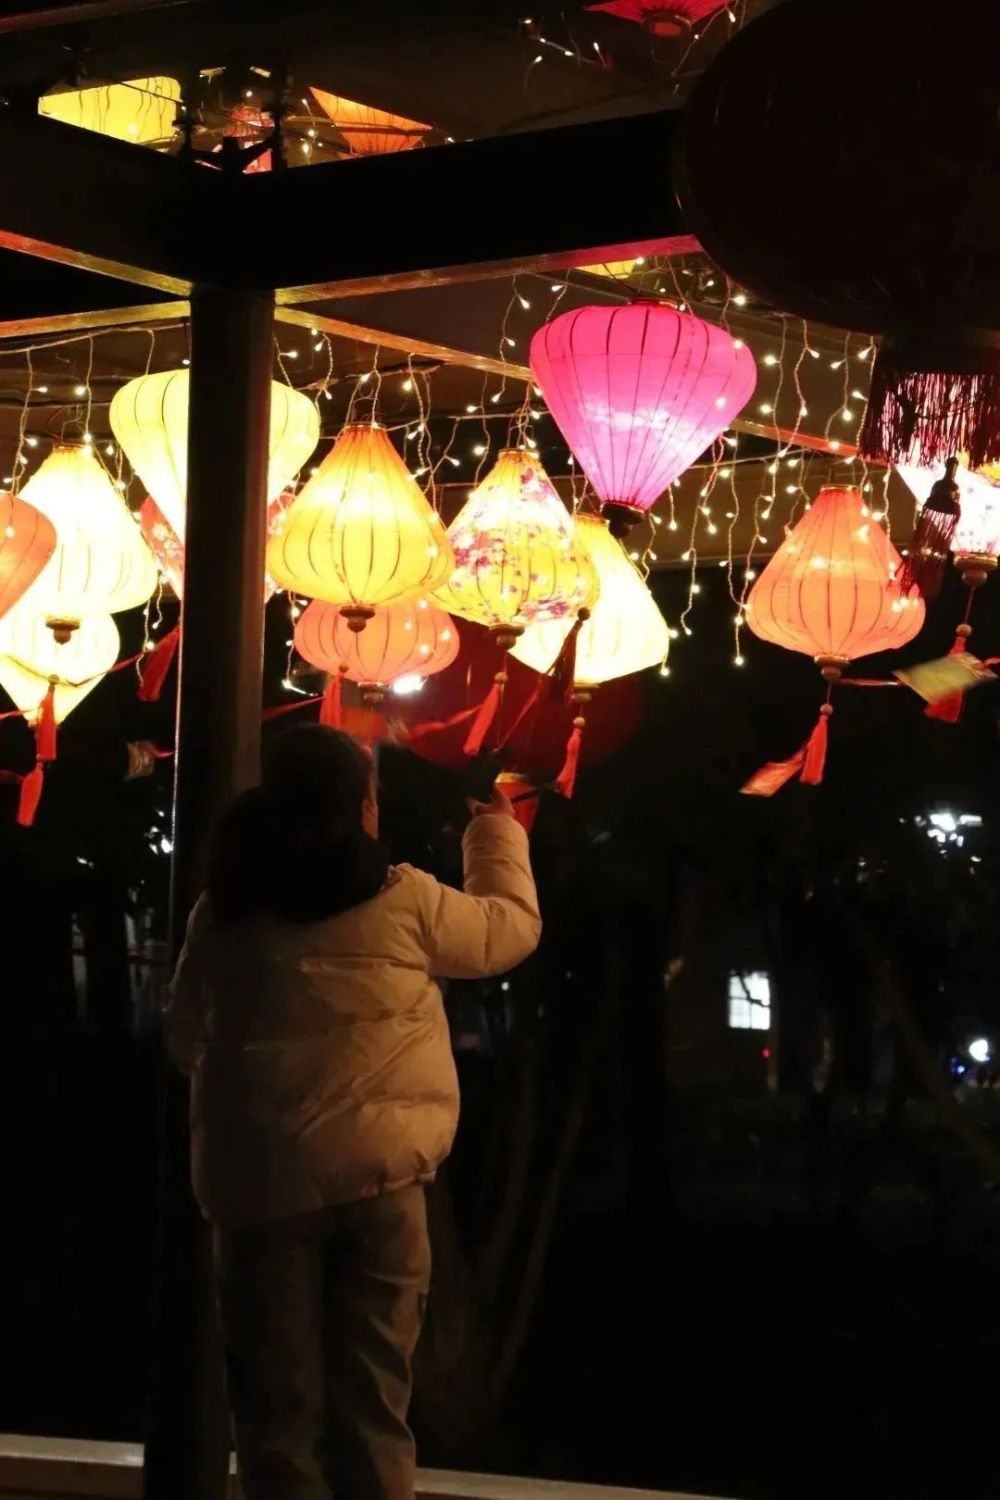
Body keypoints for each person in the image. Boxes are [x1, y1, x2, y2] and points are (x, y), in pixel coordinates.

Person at [167, 725, 541, 1500]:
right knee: (374, 1408)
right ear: (361, 807)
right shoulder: (402, 899)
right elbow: (508, 931)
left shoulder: (224, 912)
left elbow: (181, 1038)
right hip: (382, 1186)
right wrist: (496, 828)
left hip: (260, 1193)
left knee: (276, 1415)